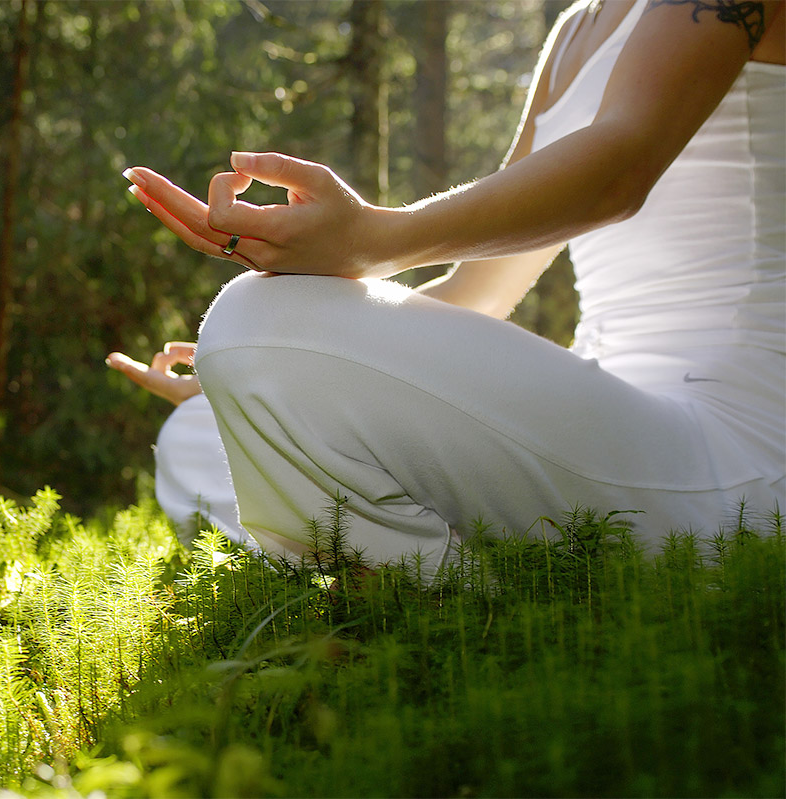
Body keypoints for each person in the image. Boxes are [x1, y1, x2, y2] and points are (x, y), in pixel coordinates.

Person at [107, 0, 786, 568]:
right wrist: (240, 381)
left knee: (253, 331)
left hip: (736, 449)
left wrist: (377, 239)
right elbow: (481, 289)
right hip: (614, 416)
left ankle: (438, 605)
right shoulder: (578, 28)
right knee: (199, 427)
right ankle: (476, 588)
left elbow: (622, 168)